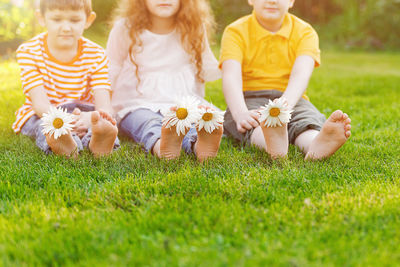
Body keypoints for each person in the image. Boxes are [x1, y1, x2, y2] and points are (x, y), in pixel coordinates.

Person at [220, 0, 351, 160]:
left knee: (305, 121)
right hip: (250, 99)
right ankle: (272, 142)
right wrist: (240, 113)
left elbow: (301, 74)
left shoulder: (305, 32)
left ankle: (315, 144)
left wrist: (282, 106)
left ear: (291, 1)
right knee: (253, 125)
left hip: (292, 99)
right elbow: (230, 75)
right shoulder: (235, 31)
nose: (272, 1)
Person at [107, 0, 223, 162]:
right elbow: (110, 69)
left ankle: (199, 145)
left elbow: (205, 66)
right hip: (137, 103)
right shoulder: (125, 28)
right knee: (148, 123)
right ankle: (163, 147)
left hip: (182, 103)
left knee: (193, 121)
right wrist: (103, 107)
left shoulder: (193, 26)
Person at [13, 0, 119, 157]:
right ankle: (65, 142)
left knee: (102, 123)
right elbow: (40, 103)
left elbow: (103, 104)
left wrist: (92, 118)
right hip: (45, 113)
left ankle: (98, 142)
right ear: (41, 18)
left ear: (88, 20)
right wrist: (62, 121)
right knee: (45, 126)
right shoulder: (29, 52)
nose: (66, 27)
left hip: (82, 111)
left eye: (75, 20)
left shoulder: (96, 54)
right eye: (57, 19)